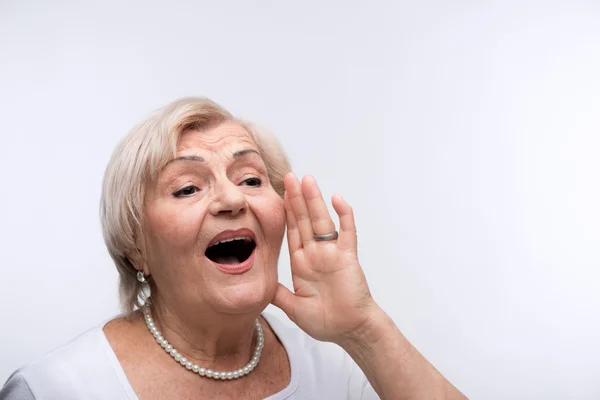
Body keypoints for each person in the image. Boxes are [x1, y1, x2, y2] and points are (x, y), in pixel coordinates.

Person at [0, 97, 466, 400]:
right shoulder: (54, 390)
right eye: (186, 188)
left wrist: (365, 329)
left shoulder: (340, 362)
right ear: (135, 245)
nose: (231, 199)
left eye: (250, 178)